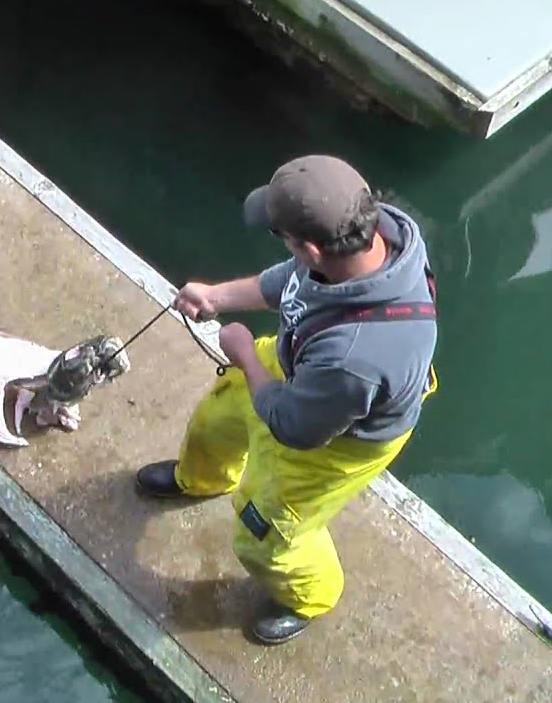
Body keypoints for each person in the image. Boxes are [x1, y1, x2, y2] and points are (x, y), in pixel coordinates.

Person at [135, 154, 438, 645]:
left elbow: (292, 427)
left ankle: (309, 597)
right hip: (303, 368)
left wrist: (244, 356)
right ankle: (203, 478)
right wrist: (216, 296)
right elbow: (290, 282)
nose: (285, 247)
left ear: (312, 248)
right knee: (216, 419)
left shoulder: (355, 356)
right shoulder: (368, 236)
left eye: (284, 236)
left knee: (266, 534)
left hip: (332, 437)